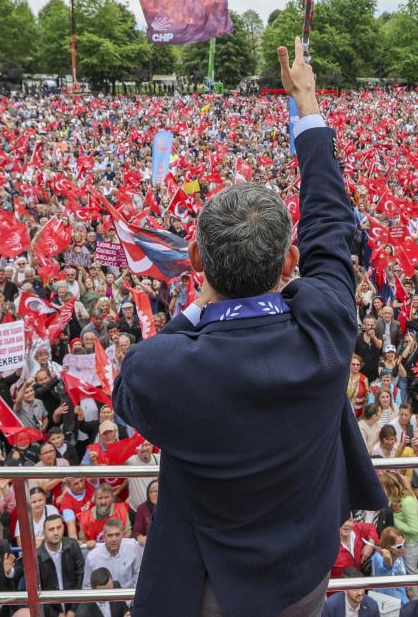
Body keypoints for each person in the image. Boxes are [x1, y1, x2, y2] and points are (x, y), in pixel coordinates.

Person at [113, 39, 386, 616]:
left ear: (194, 260)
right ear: (290, 266)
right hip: (304, 577)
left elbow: (133, 380)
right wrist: (306, 103)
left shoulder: (167, 367)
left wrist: (196, 305)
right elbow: (331, 222)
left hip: (210, 592)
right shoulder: (325, 325)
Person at [37, 514, 84, 617]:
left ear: (63, 528)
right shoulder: (37, 556)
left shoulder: (73, 545)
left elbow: (79, 578)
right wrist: (56, 614)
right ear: (44, 533)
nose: (56, 532)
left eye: (59, 528)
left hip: (74, 604)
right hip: (50, 609)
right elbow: (38, 591)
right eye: (51, 529)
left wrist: (73, 609)